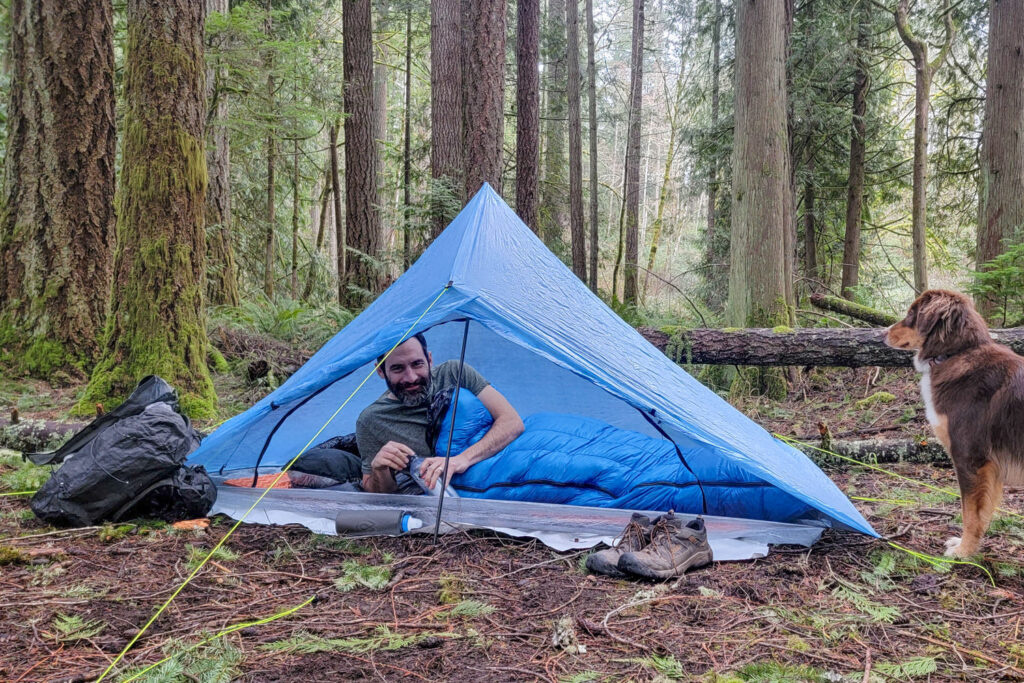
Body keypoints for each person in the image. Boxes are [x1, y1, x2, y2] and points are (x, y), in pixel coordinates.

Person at [357, 333, 524, 494]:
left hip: (501, 467)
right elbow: (379, 492)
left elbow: (512, 422)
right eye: (398, 369)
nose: (411, 377)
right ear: (380, 371)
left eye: (417, 364)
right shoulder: (371, 420)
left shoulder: (454, 373)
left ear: (429, 360)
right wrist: (380, 469)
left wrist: (461, 460)